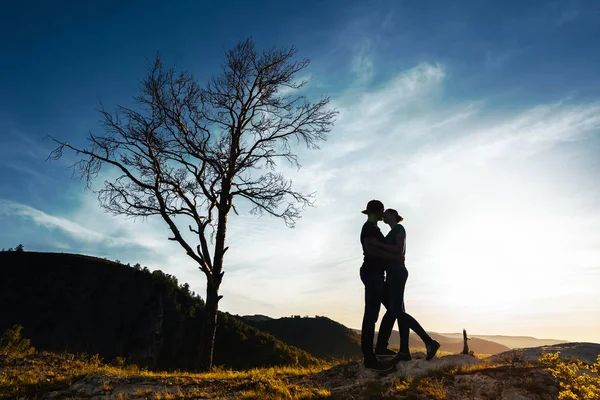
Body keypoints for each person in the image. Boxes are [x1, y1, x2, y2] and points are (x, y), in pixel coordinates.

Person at [366, 208, 440, 363]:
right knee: (397, 310)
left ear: (393, 215)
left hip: (397, 273)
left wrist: (379, 244)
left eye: (386, 213)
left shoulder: (399, 229)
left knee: (396, 310)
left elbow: (399, 250)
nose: (384, 215)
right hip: (393, 273)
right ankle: (404, 351)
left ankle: (429, 342)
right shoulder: (392, 231)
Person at [359, 200, 405, 370]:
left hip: (377, 275)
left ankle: (380, 348)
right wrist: (394, 257)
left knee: (393, 308)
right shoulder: (369, 228)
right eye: (382, 211)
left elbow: (379, 248)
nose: (383, 214)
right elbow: (371, 251)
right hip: (372, 274)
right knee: (371, 315)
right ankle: (369, 358)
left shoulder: (374, 229)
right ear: (377, 211)